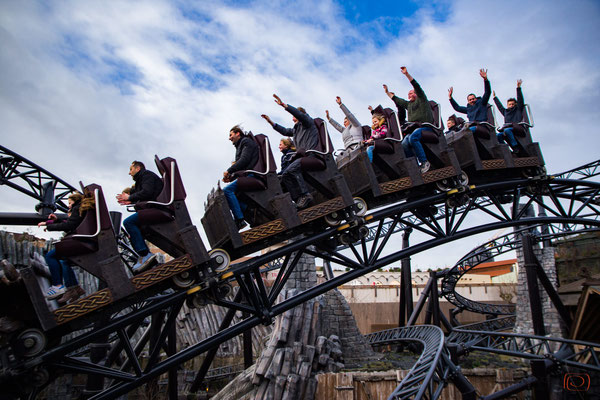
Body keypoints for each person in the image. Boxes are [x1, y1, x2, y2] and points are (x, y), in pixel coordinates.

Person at [261, 94, 319, 209]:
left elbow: (299, 115)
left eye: (294, 117)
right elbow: (284, 131)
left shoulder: (308, 123)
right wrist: (270, 122)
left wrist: (284, 105)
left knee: (291, 170)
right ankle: (298, 199)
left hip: (311, 156)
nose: (293, 119)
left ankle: (305, 195)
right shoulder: (296, 129)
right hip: (302, 158)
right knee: (285, 175)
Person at [38, 191, 92, 304]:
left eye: (69, 203)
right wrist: (56, 220)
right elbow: (72, 223)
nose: (68, 206)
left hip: (79, 240)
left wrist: (49, 226)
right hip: (82, 239)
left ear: (75, 201)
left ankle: (58, 285)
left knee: (50, 256)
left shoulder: (77, 209)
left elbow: (70, 225)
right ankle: (74, 288)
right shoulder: (81, 209)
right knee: (64, 260)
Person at [383, 66, 435, 173]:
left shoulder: (422, 100)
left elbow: (416, 85)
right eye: (408, 94)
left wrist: (407, 74)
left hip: (426, 127)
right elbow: (398, 100)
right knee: (404, 143)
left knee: (413, 138)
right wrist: (387, 92)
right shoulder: (409, 105)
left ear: (416, 94)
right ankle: (414, 165)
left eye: (411, 93)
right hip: (415, 130)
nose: (409, 95)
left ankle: (424, 162)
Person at [116, 160, 163, 273]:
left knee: (128, 222)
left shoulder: (147, 175)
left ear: (138, 168)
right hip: (153, 207)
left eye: (131, 169)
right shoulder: (142, 180)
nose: (129, 173)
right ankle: (145, 255)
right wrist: (130, 198)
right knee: (132, 232)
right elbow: (138, 192)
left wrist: (129, 198)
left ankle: (145, 254)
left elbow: (146, 192)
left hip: (157, 209)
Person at [222, 125, 259, 230]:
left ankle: (239, 220)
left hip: (252, 175)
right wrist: (231, 177)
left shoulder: (246, 142)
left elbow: (244, 160)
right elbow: (241, 166)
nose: (229, 138)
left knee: (227, 191)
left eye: (231, 135)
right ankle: (249, 210)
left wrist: (229, 171)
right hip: (247, 175)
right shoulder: (240, 146)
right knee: (231, 195)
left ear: (238, 133)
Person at [448, 69, 492, 133]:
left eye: (473, 99)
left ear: (476, 99)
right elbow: (457, 108)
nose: (472, 101)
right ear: (468, 101)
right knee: (460, 132)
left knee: (467, 131)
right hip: (472, 126)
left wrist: (485, 80)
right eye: (470, 100)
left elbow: (487, 92)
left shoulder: (482, 103)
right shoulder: (468, 109)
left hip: (482, 126)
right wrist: (450, 98)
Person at [493, 79, 525, 154]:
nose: (511, 106)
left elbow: (520, 100)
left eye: (512, 104)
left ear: (515, 104)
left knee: (507, 130)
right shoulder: (505, 112)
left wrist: (518, 88)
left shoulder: (518, 110)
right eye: (509, 104)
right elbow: (500, 107)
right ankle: (506, 149)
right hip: (508, 129)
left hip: (517, 127)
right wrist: (495, 98)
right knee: (498, 135)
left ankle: (515, 146)